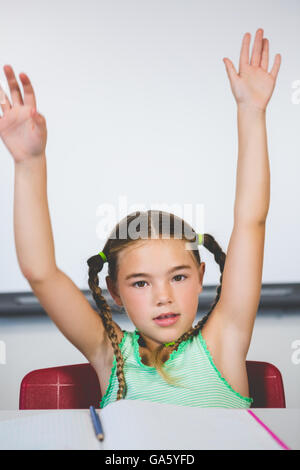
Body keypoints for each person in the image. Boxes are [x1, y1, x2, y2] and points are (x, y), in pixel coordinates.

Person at [0, 28, 281, 409]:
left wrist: (251, 112)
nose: (163, 297)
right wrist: (28, 163)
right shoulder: (110, 355)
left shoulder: (224, 339)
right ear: (114, 291)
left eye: (178, 277)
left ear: (201, 276)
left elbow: (251, 220)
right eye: (140, 283)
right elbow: (40, 272)